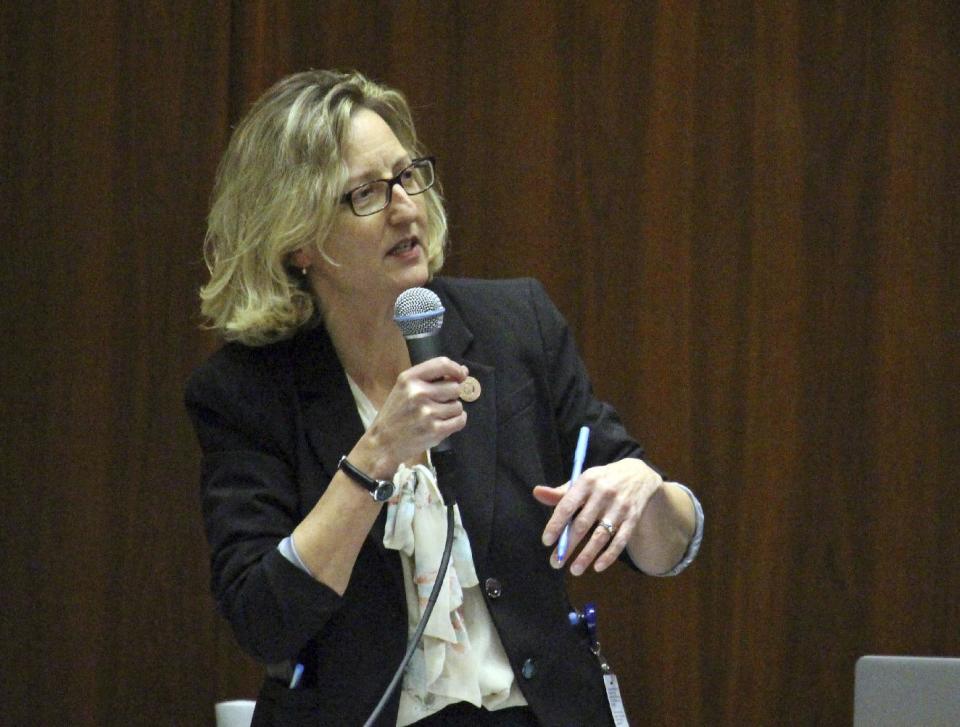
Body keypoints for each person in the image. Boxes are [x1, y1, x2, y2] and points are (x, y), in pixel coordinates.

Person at [185, 69, 703, 727]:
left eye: (407, 176)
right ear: (299, 240)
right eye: (365, 194)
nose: (406, 207)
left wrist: (646, 487)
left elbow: (663, 549)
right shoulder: (246, 392)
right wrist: (375, 454)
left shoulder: (516, 325)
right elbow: (264, 619)